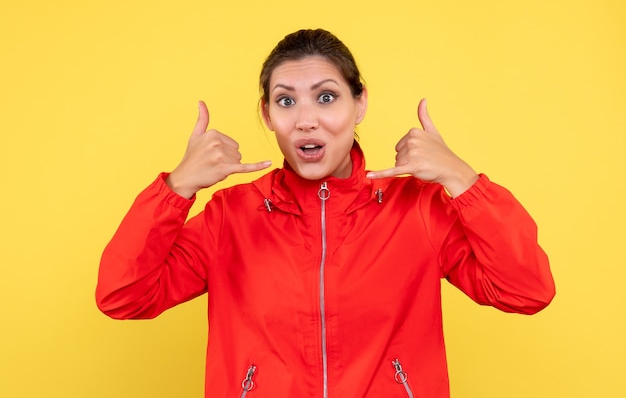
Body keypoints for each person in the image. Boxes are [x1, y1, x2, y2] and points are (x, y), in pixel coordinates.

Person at [96, 29, 555, 398]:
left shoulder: (415, 207)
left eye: (327, 97)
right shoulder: (230, 217)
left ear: (360, 104)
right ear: (268, 114)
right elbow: (123, 297)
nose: (306, 120)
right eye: (286, 100)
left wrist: (462, 180)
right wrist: (176, 189)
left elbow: (526, 290)